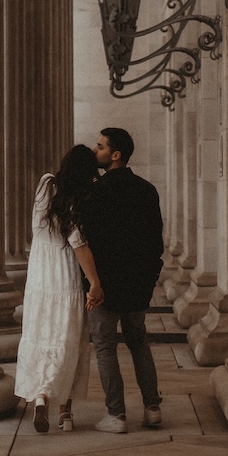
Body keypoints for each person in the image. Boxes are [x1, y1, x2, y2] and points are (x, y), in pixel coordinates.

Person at [12, 145, 106, 433]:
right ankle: (66, 413)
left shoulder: (46, 183)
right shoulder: (76, 198)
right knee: (67, 335)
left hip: (40, 272)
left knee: (41, 332)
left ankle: (40, 398)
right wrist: (94, 282)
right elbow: (78, 243)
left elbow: (39, 225)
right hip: (64, 270)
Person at [80, 126, 165, 433]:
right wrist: (149, 278)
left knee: (104, 347)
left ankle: (116, 415)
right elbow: (156, 242)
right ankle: (152, 408)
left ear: (115, 155)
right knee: (138, 341)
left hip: (104, 285)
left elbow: (87, 243)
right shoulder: (147, 189)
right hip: (136, 284)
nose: (95, 151)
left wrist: (91, 284)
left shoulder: (94, 192)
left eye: (100, 146)